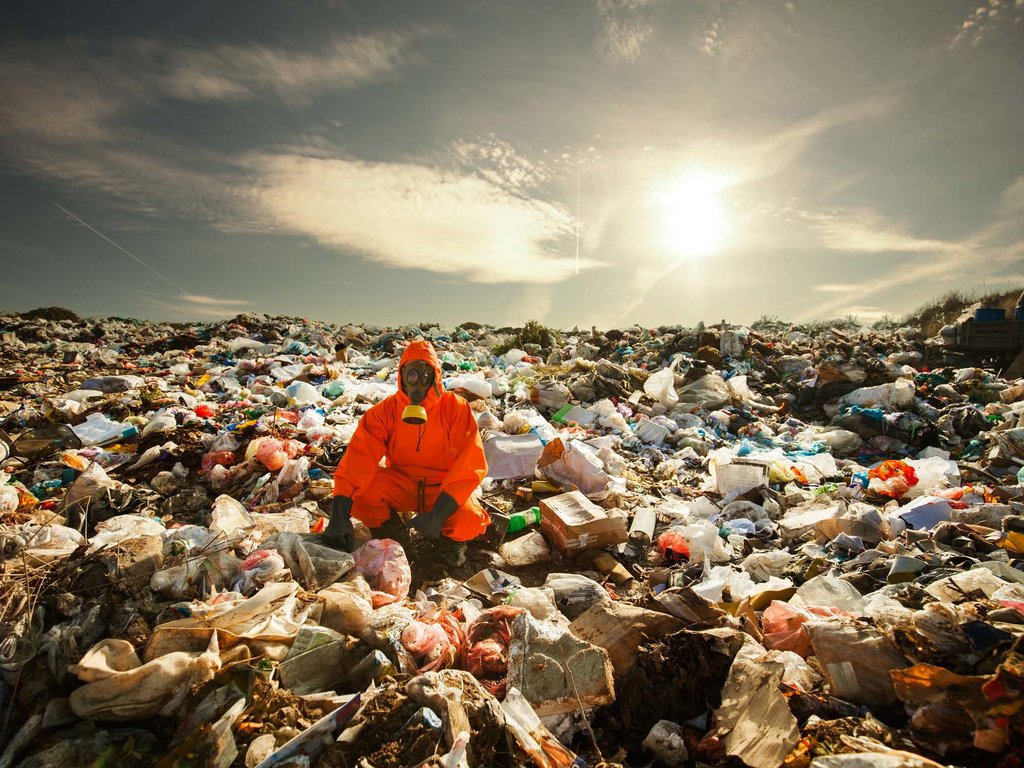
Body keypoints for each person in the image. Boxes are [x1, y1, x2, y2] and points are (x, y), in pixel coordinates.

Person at [323, 340, 489, 560]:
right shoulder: (385, 412)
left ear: (435, 377)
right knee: (361, 494)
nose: (417, 384)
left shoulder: (455, 408)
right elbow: (358, 459)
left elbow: (471, 463)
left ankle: (449, 544)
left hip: (442, 487)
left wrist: (438, 515)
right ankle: (394, 535)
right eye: (411, 375)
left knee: (468, 519)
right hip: (402, 483)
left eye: (425, 375)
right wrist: (338, 516)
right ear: (401, 377)